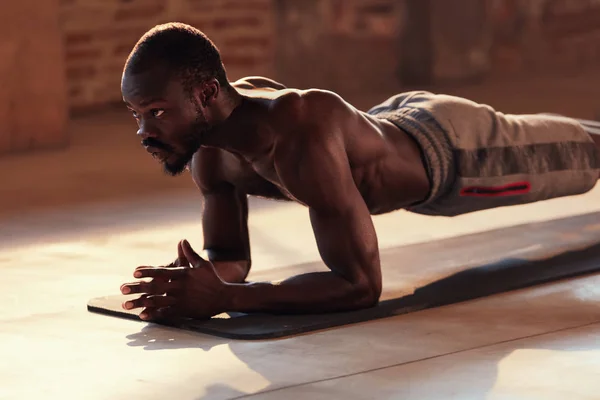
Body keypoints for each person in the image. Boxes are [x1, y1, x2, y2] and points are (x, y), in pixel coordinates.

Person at [119, 22, 600, 321]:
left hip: (455, 154)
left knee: (589, 151)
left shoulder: (298, 134)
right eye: (136, 114)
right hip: (390, 121)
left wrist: (226, 297)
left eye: (157, 112)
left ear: (205, 94)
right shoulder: (208, 148)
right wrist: (202, 282)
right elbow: (229, 256)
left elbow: (360, 286)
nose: (144, 131)